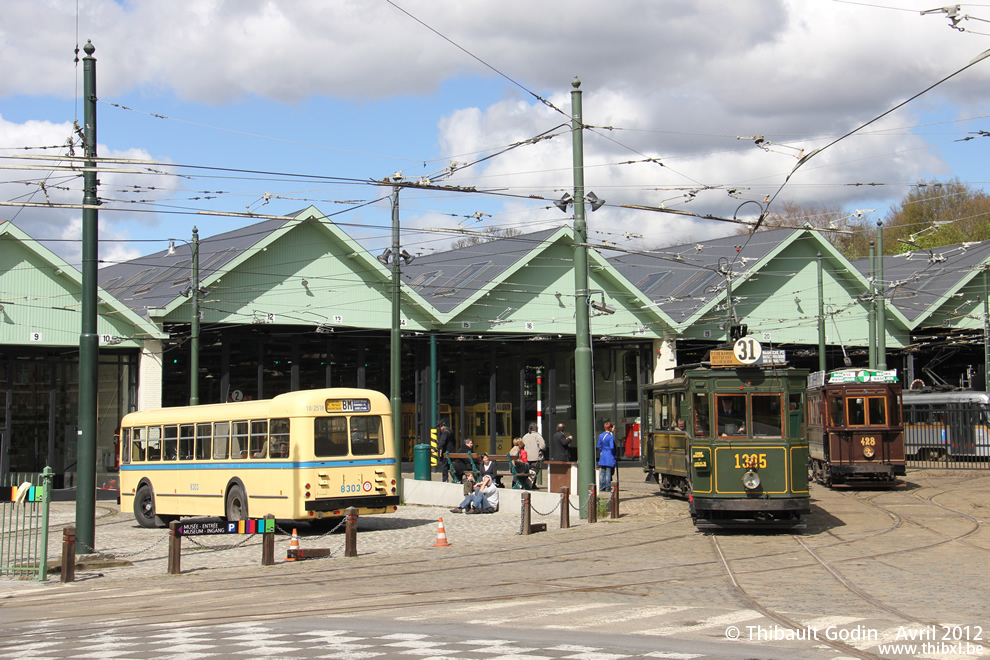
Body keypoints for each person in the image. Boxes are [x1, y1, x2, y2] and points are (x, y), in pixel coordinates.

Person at [597, 421, 616, 492]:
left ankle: (602, 486)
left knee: (602, 472)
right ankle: (608, 487)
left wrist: (603, 450)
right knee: (608, 472)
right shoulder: (610, 437)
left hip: (603, 455)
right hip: (609, 455)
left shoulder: (601, 435)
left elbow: (599, 446)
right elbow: (612, 447)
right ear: (610, 428)